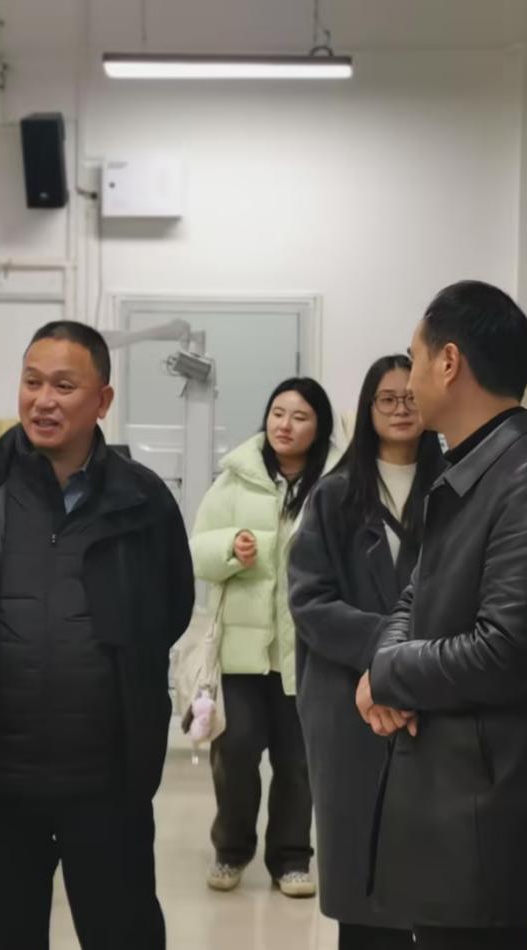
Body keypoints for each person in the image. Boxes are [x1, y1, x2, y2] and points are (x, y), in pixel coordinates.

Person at [0, 321, 194, 950]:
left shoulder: (143, 500)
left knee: (124, 933)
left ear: (103, 400)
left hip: (107, 778)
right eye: (32, 382)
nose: (43, 400)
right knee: (3, 935)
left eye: (64, 386)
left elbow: (170, 608)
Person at [355, 280, 527, 950]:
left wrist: (388, 675)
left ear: (448, 362)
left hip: (490, 811)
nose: (408, 379)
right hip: (454, 798)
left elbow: (506, 651)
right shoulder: (472, 469)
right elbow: (415, 596)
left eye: (414, 358)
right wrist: (385, 665)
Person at [289, 356, 444, 948]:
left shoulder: (455, 489)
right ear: (367, 408)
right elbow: (309, 601)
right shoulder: (334, 495)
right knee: (360, 862)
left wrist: (413, 661)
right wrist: (391, 643)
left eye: (411, 396)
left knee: (432, 869)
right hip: (345, 699)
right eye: (387, 398)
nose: (401, 408)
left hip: (433, 692)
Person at [190, 377, 335, 899]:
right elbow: (198, 550)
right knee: (235, 755)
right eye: (278, 413)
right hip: (241, 654)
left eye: (299, 416)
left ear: (319, 427)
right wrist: (232, 547)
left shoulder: (335, 482)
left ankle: (292, 858)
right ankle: (231, 850)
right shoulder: (236, 478)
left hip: (306, 651)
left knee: (298, 762)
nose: (284, 425)